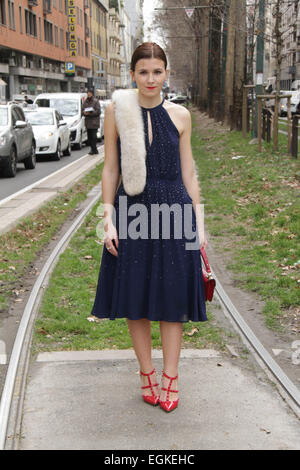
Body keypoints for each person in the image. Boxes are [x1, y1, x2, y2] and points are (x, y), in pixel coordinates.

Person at [90, 42, 208, 413]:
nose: (151, 79)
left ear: (166, 73)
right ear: (132, 74)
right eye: (143, 72)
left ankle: (171, 376)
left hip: (175, 212)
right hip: (132, 211)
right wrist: (106, 220)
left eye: (157, 72)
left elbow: (188, 171)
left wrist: (198, 225)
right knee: (136, 298)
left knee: (173, 298)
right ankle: (147, 374)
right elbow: (110, 169)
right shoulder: (116, 112)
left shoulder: (181, 115)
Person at [82, 88, 100, 155]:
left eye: (89, 93)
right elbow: (82, 110)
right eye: (88, 93)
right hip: (88, 123)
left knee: (94, 137)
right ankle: (93, 149)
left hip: (94, 122)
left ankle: (94, 149)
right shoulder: (85, 102)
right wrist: (84, 113)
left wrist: (90, 113)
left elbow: (98, 111)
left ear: (92, 93)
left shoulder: (95, 101)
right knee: (89, 138)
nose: (88, 94)